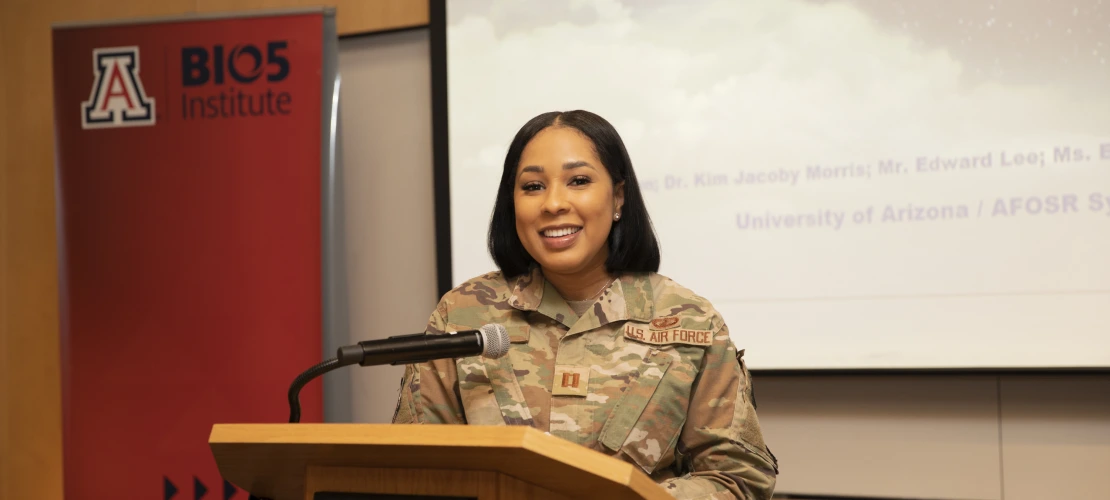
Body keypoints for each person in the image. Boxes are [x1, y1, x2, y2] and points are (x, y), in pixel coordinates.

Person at [392, 110, 778, 499]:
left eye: (578, 181)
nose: (553, 203)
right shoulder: (462, 314)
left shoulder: (690, 321)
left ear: (618, 197)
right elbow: (414, 471)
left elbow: (738, 479)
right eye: (532, 186)